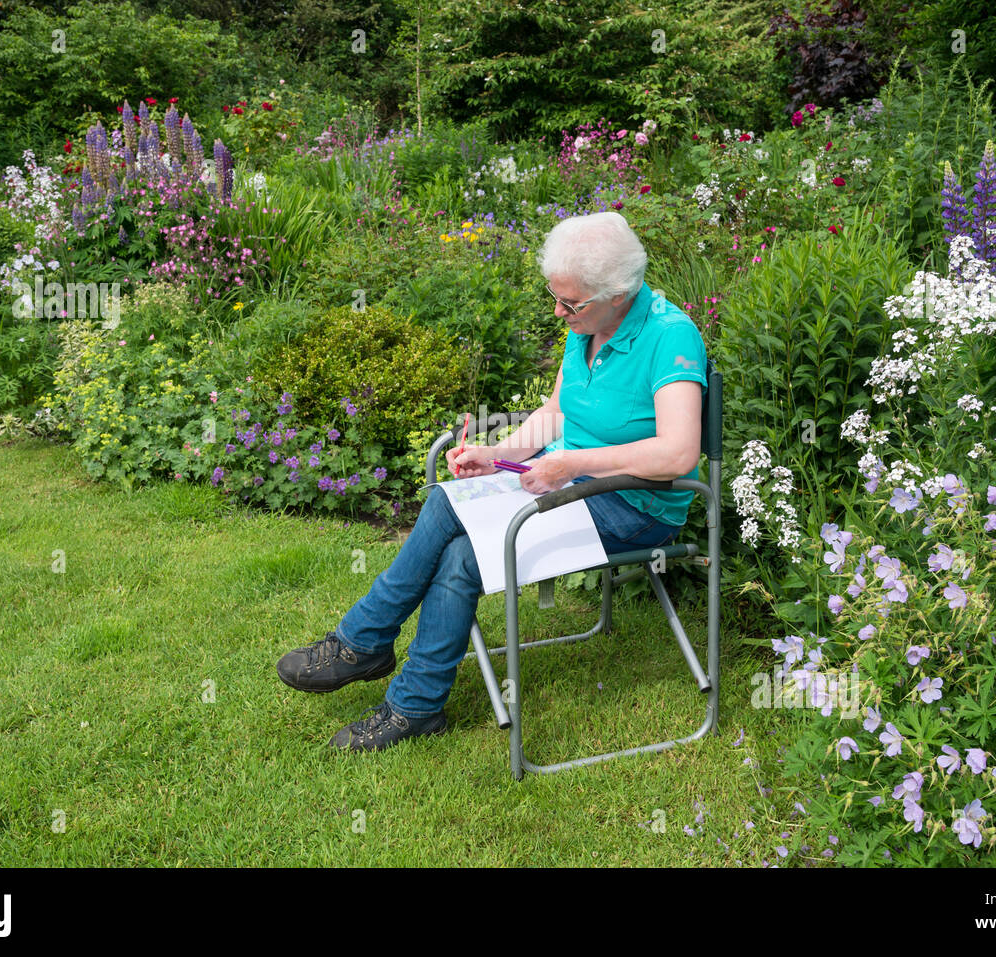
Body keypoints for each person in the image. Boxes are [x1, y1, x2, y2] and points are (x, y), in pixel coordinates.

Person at [276, 210, 708, 752]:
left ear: (617, 292)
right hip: (568, 486)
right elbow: (556, 412)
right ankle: (413, 704)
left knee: (445, 510)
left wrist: (572, 465)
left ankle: (362, 643)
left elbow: (677, 452)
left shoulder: (670, 336)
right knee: (460, 552)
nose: (558, 312)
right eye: (555, 297)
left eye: (569, 303)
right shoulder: (589, 325)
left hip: (634, 508)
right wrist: (498, 454)